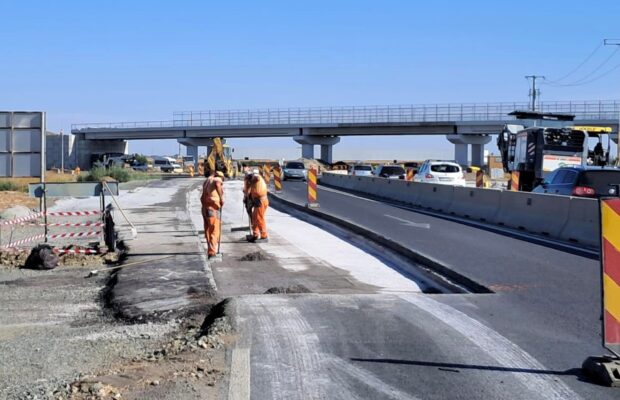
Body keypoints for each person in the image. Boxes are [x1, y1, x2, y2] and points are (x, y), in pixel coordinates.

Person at [201, 170, 225, 258]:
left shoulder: (207, 180)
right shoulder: (217, 179)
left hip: (205, 208)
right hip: (212, 209)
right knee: (214, 230)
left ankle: (210, 250)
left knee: (208, 230)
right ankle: (212, 252)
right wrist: (221, 198)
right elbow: (218, 183)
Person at [248, 173, 269, 242]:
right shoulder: (254, 182)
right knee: (255, 217)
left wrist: (251, 179)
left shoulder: (256, 177)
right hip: (258, 200)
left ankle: (264, 236)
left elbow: (256, 177)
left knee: (259, 218)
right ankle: (255, 234)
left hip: (261, 201)